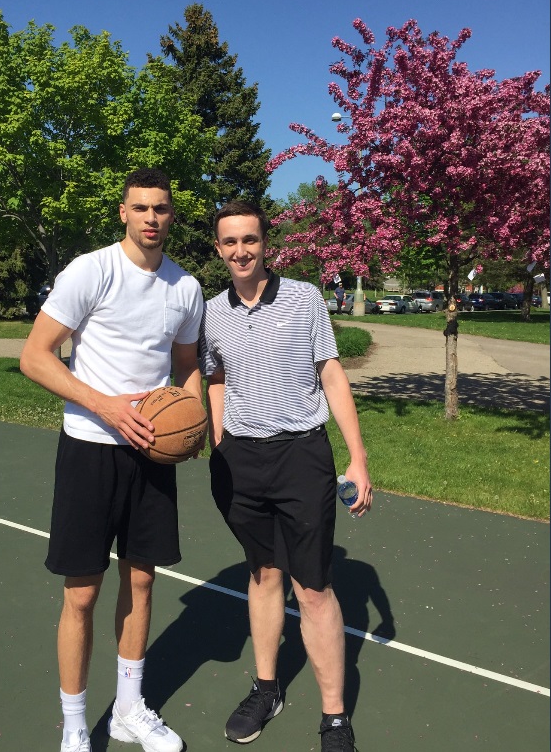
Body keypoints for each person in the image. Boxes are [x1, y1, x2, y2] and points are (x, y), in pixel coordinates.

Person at [20, 168, 203, 752]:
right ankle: (75, 724)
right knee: (82, 593)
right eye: (141, 207)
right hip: (90, 450)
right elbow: (35, 357)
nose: (152, 217)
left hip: (152, 458)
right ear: (123, 212)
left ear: (173, 216)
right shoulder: (91, 270)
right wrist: (106, 407)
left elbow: (187, 365)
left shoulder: (186, 288)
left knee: (143, 583)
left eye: (162, 208)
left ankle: (128, 709)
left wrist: (193, 415)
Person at [199, 201, 372, 752]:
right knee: (263, 574)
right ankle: (266, 688)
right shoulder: (210, 312)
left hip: (301, 456)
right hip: (240, 462)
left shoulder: (303, 299)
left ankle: (335, 718)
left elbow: (331, 374)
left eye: (250, 240)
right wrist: (219, 442)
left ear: (266, 243)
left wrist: (358, 457)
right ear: (218, 248)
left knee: (314, 589)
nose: (241, 251)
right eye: (230, 243)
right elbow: (216, 380)